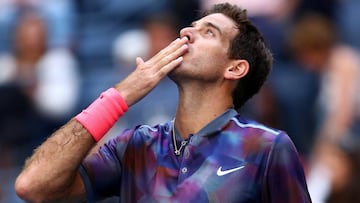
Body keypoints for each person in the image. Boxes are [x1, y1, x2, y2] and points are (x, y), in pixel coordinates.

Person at [15, 3, 311, 203]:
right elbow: (33, 186)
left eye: (209, 32)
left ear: (234, 68)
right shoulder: (135, 145)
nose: (185, 32)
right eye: (191, 26)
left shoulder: (266, 148)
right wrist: (121, 96)